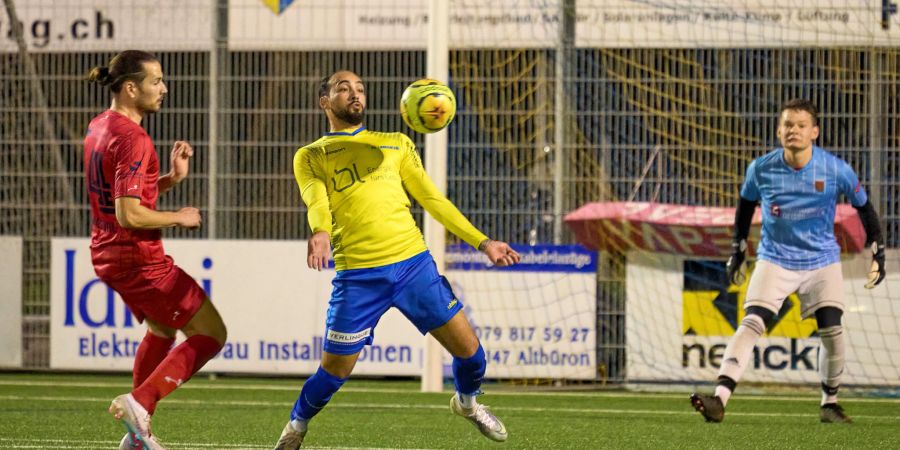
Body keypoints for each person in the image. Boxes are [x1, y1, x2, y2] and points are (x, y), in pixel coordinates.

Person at [274, 70, 521, 449]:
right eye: (343, 88)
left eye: (360, 88)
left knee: (472, 355)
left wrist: (483, 242)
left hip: (413, 267)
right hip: (358, 276)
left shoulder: (395, 144)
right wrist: (320, 231)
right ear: (325, 102)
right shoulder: (311, 155)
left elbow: (433, 200)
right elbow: (315, 199)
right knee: (333, 372)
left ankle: (468, 404)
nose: (354, 93)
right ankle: (296, 426)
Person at [690, 98, 886, 424]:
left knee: (833, 332)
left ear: (815, 132)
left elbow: (865, 208)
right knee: (752, 323)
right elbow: (744, 208)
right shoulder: (761, 169)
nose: (793, 130)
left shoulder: (835, 169)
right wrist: (738, 249)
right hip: (775, 258)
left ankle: (829, 403)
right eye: (787, 125)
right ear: (779, 130)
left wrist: (877, 249)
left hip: (821, 261)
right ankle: (719, 400)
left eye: (800, 125)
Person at [84, 50, 227, 449]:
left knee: (162, 329)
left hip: (107, 254)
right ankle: (140, 403)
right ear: (131, 88)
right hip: (139, 259)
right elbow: (130, 214)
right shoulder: (134, 138)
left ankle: (138, 431)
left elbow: (120, 198)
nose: (163, 88)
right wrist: (178, 216)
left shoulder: (100, 126)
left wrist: (168, 179)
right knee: (212, 333)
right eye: (156, 81)